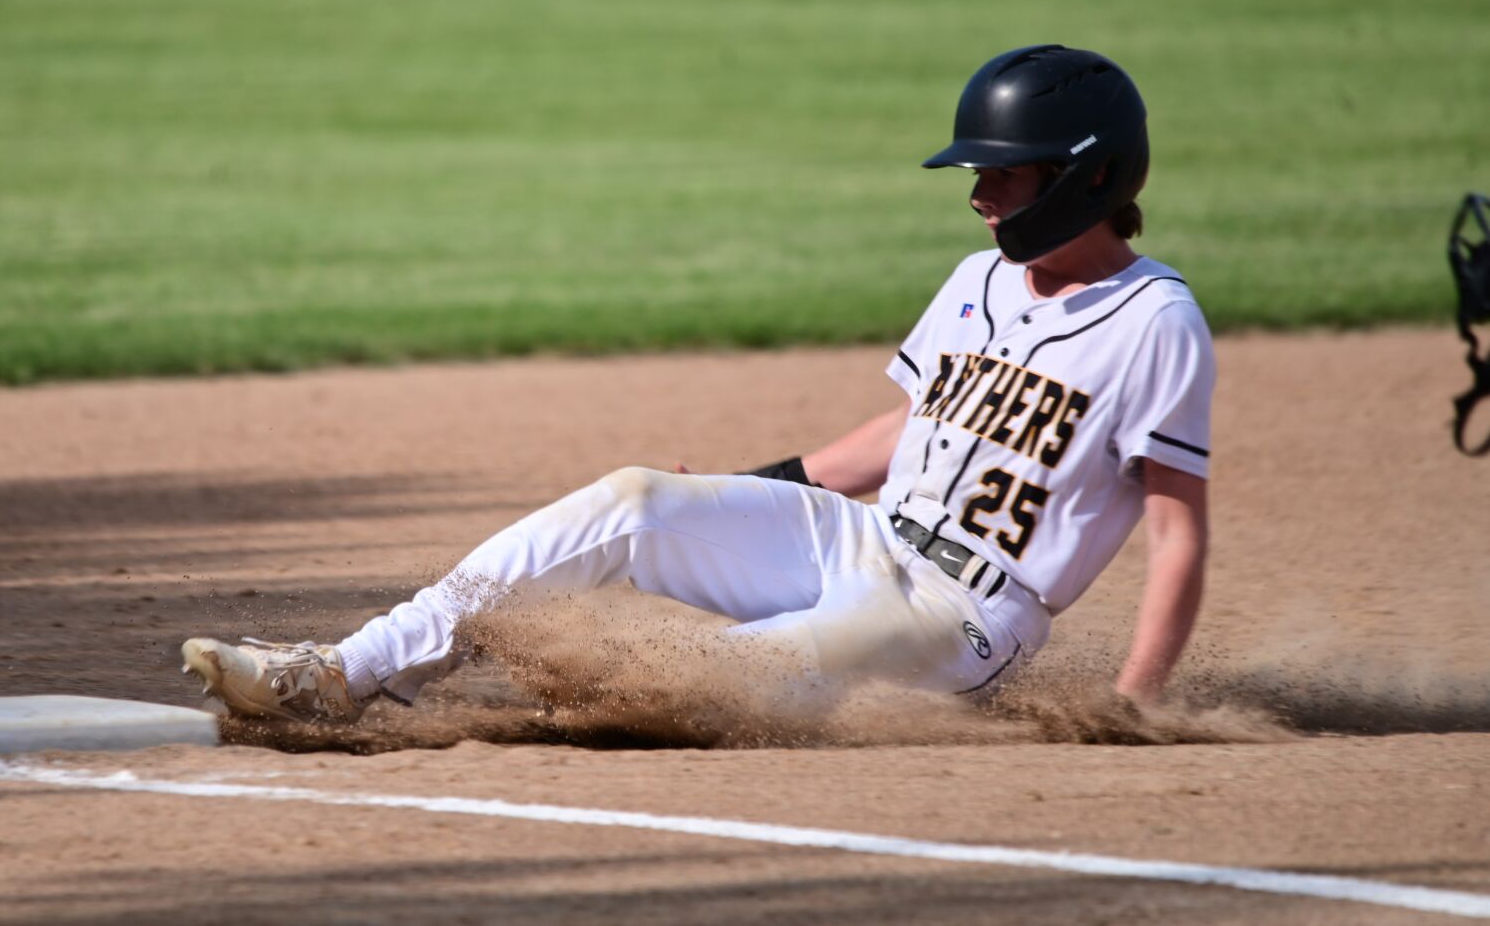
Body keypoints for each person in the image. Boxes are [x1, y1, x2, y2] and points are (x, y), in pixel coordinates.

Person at [181, 44, 1214, 723]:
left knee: (706, 687)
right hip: (868, 538)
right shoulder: (978, 281)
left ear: (1084, 173)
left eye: (1004, 172)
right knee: (634, 499)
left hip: (967, 613)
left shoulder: (1154, 323)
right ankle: (339, 672)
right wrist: (742, 484)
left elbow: (1176, 535)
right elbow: (909, 430)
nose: (981, 195)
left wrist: (1130, 703)